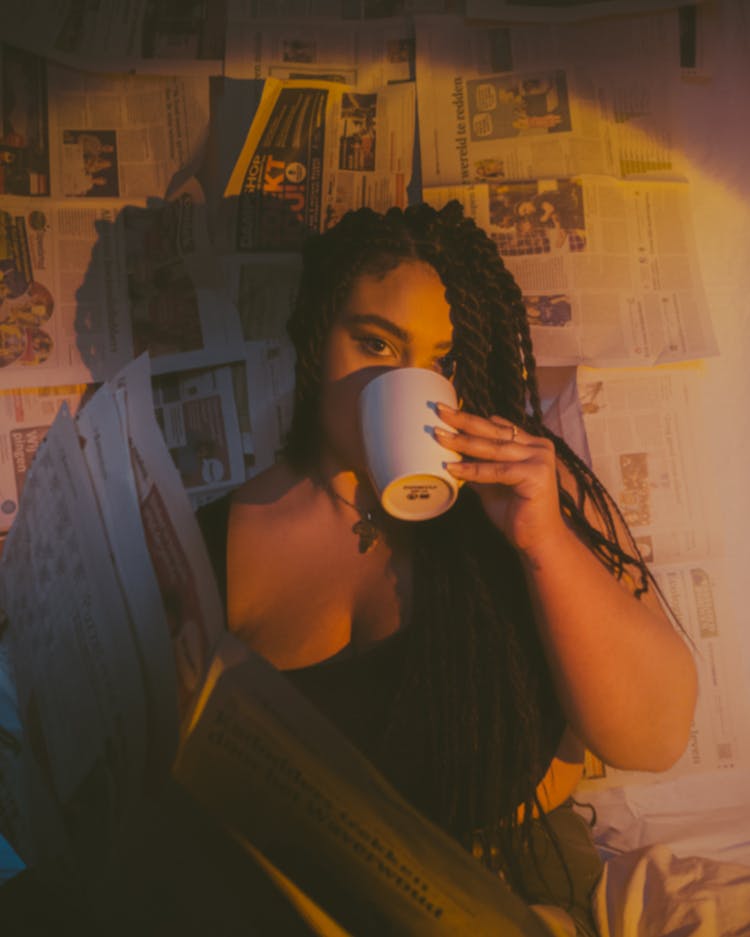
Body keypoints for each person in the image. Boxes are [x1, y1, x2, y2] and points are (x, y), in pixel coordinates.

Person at [197, 201, 697, 935]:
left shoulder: (531, 492)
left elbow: (654, 736)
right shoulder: (221, 535)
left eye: (443, 362)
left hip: (504, 897)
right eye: (375, 344)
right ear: (315, 340)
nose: (409, 386)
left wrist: (544, 543)